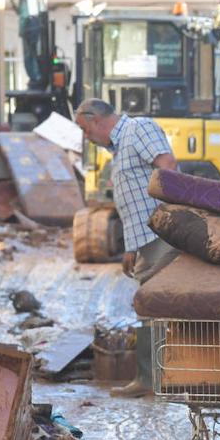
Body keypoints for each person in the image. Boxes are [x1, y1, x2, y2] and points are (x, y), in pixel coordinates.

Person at [75, 98, 179, 398]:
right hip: (145, 238)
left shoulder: (137, 129)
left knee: (148, 301)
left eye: (84, 129)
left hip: (161, 233)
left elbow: (168, 167)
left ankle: (150, 380)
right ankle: (152, 378)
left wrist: (171, 220)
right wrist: (130, 248)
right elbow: (133, 203)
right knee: (149, 304)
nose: (86, 137)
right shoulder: (119, 149)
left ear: (95, 120)